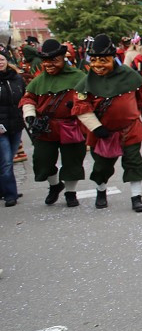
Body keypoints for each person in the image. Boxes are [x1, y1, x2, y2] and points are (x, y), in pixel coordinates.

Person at [71, 34, 142, 211]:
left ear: (112, 58)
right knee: (102, 167)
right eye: (94, 60)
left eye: (103, 60)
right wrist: (96, 127)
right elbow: (81, 106)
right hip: (103, 133)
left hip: (129, 129)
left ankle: (136, 197)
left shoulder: (130, 76)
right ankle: (101, 191)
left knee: (134, 163)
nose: (98, 65)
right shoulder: (87, 82)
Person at [19, 39, 88, 207]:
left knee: (73, 161)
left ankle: (71, 193)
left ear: (62, 58)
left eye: (53, 60)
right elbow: (28, 98)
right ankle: (55, 186)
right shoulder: (39, 80)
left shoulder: (78, 77)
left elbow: (90, 98)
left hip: (71, 126)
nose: (48, 64)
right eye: (45, 60)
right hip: (46, 127)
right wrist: (29, 115)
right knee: (43, 161)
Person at [0, 51, 25, 207]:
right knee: (7, 162)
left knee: (6, 159)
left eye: (1, 59)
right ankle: (10, 194)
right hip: (0, 128)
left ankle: (5, 188)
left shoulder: (16, 78)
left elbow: (25, 96)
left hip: (16, 125)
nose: (0, 62)